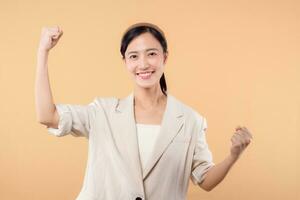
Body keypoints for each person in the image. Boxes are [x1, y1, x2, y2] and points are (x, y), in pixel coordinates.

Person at [35, 22, 253, 200]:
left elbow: (205, 180)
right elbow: (47, 116)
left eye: (151, 54)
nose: (143, 64)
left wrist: (233, 156)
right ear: (125, 62)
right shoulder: (102, 112)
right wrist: (43, 52)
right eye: (134, 56)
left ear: (164, 58)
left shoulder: (190, 120)